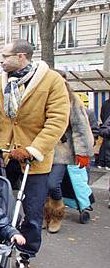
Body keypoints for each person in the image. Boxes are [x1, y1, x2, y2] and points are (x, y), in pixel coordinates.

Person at [0, 40, 69, 268]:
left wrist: (34, 149)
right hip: (1, 154)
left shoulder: (52, 81)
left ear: (21, 57)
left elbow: (57, 120)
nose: (1, 61)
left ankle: (25, 257)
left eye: (5, 56)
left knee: (32, 213)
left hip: (33, 160)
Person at [44, 79, 94, 233]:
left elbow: (81, 126)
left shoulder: (72, 100)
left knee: (53, 184)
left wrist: (83, 152)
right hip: (41, 148)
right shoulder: (41, 96)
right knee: (39, 185)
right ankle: (42, 215)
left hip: (62, 150)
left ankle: (57, 214)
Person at [98, 98, 110, 169]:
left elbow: (101, 115)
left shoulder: (105, 103)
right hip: (107, 127)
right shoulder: (106, 103)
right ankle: (107, 164)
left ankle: (101, 162)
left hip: (105, 127)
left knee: (105, 144)